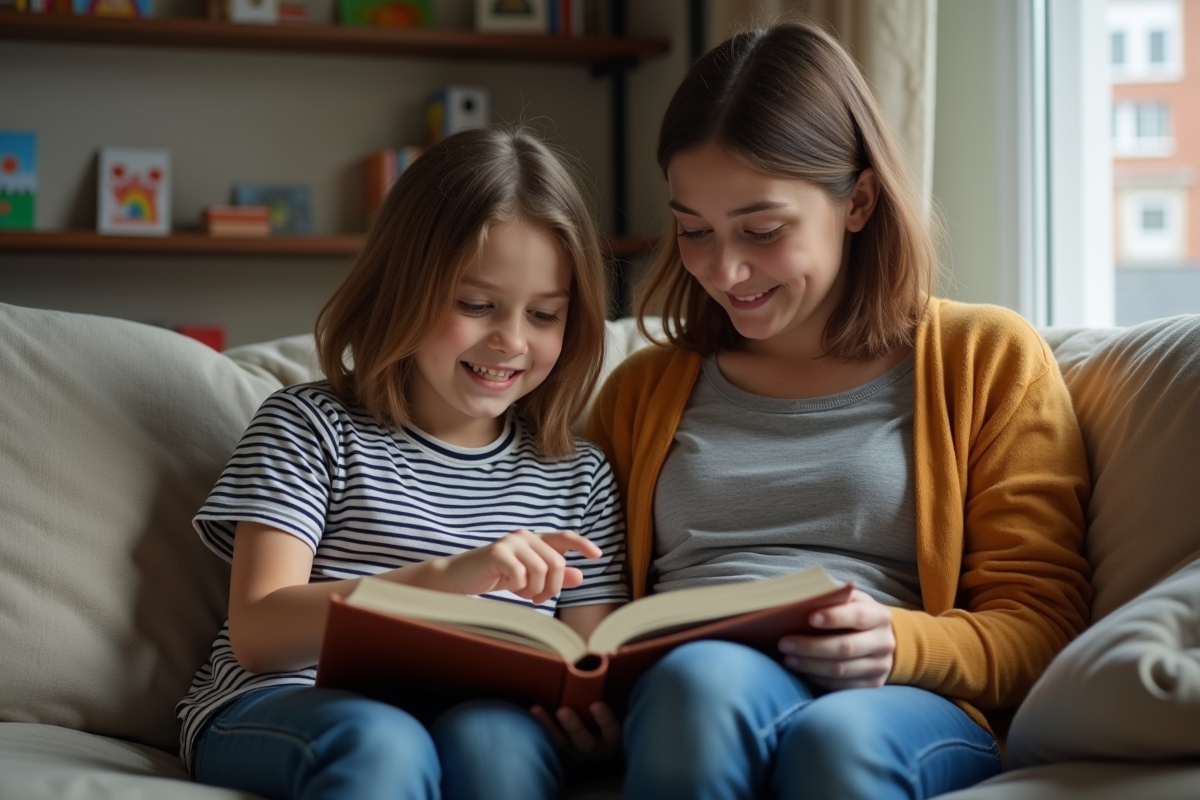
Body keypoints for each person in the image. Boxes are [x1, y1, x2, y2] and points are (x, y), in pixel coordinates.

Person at [583, 20, 1093, 800]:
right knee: (699, 684)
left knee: (836, 742)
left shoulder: (986, 358)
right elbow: (585, 602)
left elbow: (1044, 623)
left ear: (857, 200)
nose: (726, 269)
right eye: (694, 232)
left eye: (763, 230)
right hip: (688, 691)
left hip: (899, 702)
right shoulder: (642, 389)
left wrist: (898, 640)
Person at [175, 126, 629, 800]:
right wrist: (444, 580)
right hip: (286, 704)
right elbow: (260, 635)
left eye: (544, 314)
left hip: (480, 715)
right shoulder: (309, 427)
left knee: (498, 746)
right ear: (403, 286)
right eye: (476, 305)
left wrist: (599, 723)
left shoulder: (579, 475)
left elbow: (589, 667)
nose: (509, 339)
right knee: (385, 743)